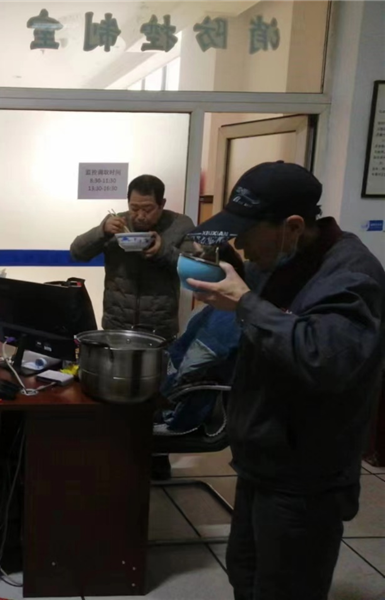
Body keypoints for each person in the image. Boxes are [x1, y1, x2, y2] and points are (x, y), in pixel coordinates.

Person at [186, 162, 385, 600]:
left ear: (293, 227)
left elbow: (325, 359)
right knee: (245, 575)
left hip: (306, 476)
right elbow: (269, 312)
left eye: (246, 233)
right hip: (261, 460)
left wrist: (246, 304)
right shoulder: (282, 259)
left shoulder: (352, 275)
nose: (240, 243)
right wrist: (226, 271)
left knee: (287, 588)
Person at [70, 174, 195, 340]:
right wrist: (102, 232)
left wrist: (163, 251)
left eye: (148, 209)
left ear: (162, 204)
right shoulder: (117, 223)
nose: (140, 216)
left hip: (159, 329)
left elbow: (193, 268)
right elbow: (77, 253)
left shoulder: (180, 224)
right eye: (134, 208)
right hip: (116, 325)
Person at [155, 243, 245, 436]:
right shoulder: (215, 308)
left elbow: (193, 366)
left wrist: (162, 398)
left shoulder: (227, 316)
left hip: (182, 410)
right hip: (176, 391)